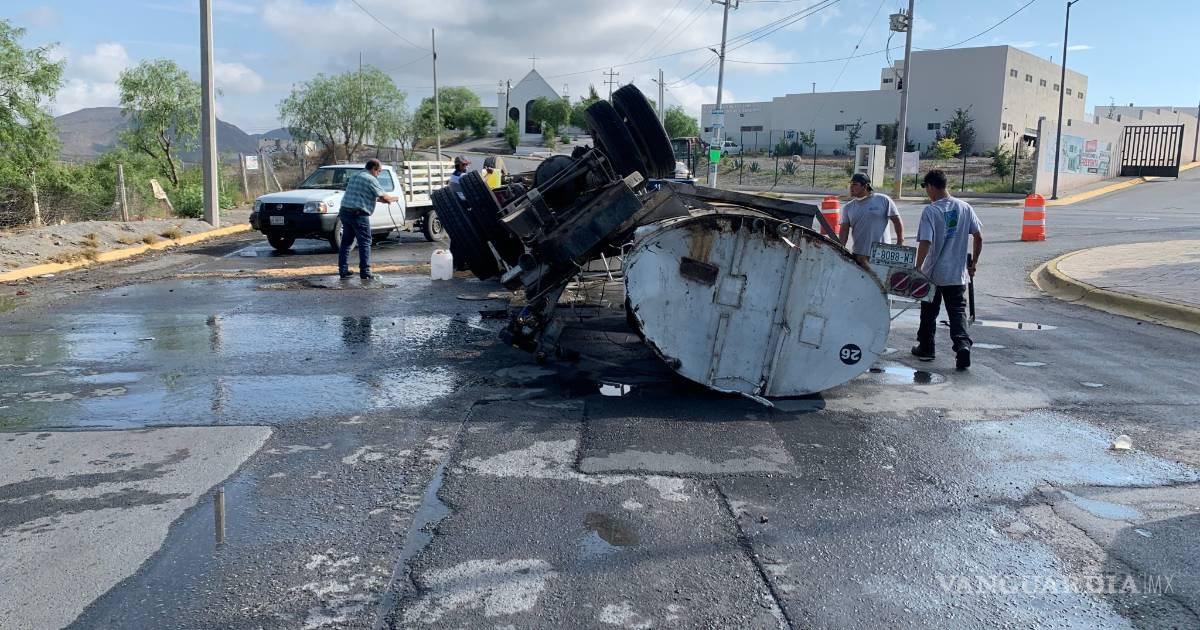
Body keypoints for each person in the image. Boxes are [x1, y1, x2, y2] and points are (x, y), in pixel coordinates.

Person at [911, 169, 984, 370]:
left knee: (929, 312)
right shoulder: (965, 207)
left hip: (934, 273)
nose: (927, 192)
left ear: (931, 186)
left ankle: (927, 348)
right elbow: (978, 237)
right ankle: (962, 345)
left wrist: (917, 268)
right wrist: (974, 263)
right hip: (957, 274)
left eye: (926, 188)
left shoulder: (931, 211)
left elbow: (925, 242)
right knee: (957, 311)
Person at [338, 158, 398, 281]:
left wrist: (381, 199)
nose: (379, 174)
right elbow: (385, 197)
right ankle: (365, 272)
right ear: (374, 169)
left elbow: (363, 194)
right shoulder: (370, 178)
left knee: (346, 243)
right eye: (379, 171)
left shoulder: (355, 176)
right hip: (358, 214)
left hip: (345, 212)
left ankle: (343, 271)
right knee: (365, 242)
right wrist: (394, 199)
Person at [839, 173, 903, 263]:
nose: (851, 187)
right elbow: (844, 230)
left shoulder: (883, 200)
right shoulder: (848, 207)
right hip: (860, 254)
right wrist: (840, 249)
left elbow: (897, 221)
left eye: (855, 185)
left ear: (865, 186)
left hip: (882, 254)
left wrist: (900, 241)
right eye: (851, 184)